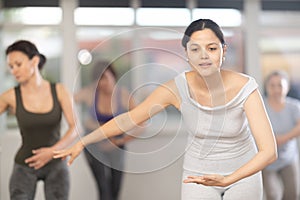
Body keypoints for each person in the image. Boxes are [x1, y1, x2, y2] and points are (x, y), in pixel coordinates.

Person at [54, 19, 277, 200]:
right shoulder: (175, 89)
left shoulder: (245, 86)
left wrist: (229, 179)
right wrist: (84, 141)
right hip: (197, 175)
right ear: (186, 54)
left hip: (243, 174)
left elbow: (269, 151)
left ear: (223, 50)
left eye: (211, 48)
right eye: (195, 49)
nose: (204, 56)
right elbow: (129, 119)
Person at [0, 40, 78, 200]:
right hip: (25, 164)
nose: (14, 70)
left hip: (56, 164)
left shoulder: (60, 91)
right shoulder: (10, 96)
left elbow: (75, 128)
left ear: (34, 61)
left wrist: (52, 152)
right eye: (11, 66)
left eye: (18, 64)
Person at [74, 60, 141, 200]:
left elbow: (141, 123)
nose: (102, 83)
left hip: (116, 143)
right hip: (94, 145)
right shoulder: (90, 93)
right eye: (98, 80)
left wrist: (120, 141)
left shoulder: (123, 95)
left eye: (105, 77)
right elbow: (67, 101)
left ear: (114, 76)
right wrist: (81, 124)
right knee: (103, 188)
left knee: (115, 189)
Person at [262, 70, 300, 200]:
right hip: (267, 160)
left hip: (288, 158)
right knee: (272, 195)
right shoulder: (261, 106)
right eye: (272, 85)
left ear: (287, 87)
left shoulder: (294, 107)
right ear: (267, 87)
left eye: (280, 85)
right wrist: (270, 140)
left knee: (292, 194)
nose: (276, 89)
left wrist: (283, 138)